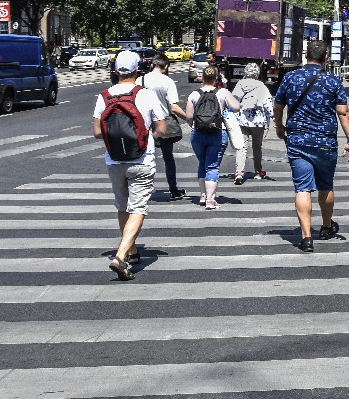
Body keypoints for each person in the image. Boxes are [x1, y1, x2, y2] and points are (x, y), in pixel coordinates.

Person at [274, 40, 349, 253]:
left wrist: (279, 126)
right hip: (325, 142)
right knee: (325, 186)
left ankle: (306, 237)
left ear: (305, 54)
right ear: (326, 57)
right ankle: (327, 226)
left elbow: (278, 105)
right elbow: (343, 112)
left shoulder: (291, 78)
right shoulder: (333, 80)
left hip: (298, 141)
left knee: (302, 188)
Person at [93, 50, 167, 280]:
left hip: (113, 160)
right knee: (138, 208)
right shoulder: (145, 94)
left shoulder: (104, 96)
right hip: (141, 159)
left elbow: (97, 132)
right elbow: (161, 129)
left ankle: (132, 250)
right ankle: (121, 254)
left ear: (116, 70)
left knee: (122, 205)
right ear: (137, 70)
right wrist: (148, 136)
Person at [184, 65, 240, 209]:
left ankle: (203, 195)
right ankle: (210, 199)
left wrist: (194, 125)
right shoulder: (222, 92)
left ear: (202, 77)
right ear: (217, 78)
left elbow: (189, 116)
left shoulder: (194, 94)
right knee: (213, 166)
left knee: (202, 163)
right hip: (217, 132)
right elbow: (236, 107)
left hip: (198, 133)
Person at [139, 56, 187, 200]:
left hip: (145, 124)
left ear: (152, 65)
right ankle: (173, 190)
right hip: (163, 123)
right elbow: (173, 107)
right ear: (166, 67)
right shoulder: (167, 81)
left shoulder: (140, 81)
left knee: (144, 158)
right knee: (168, 158)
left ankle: (141, 190)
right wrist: (188, 118)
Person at [231, 62, 273, 184]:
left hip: (242, 119)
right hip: (258, 121)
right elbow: (268, 104)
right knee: (257, 147)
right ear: (257, 73)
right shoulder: (261, 86)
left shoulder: (240, 84)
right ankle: (258, 172)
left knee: (242, 147)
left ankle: (239, 173)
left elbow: (234, 101)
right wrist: (275, 118)